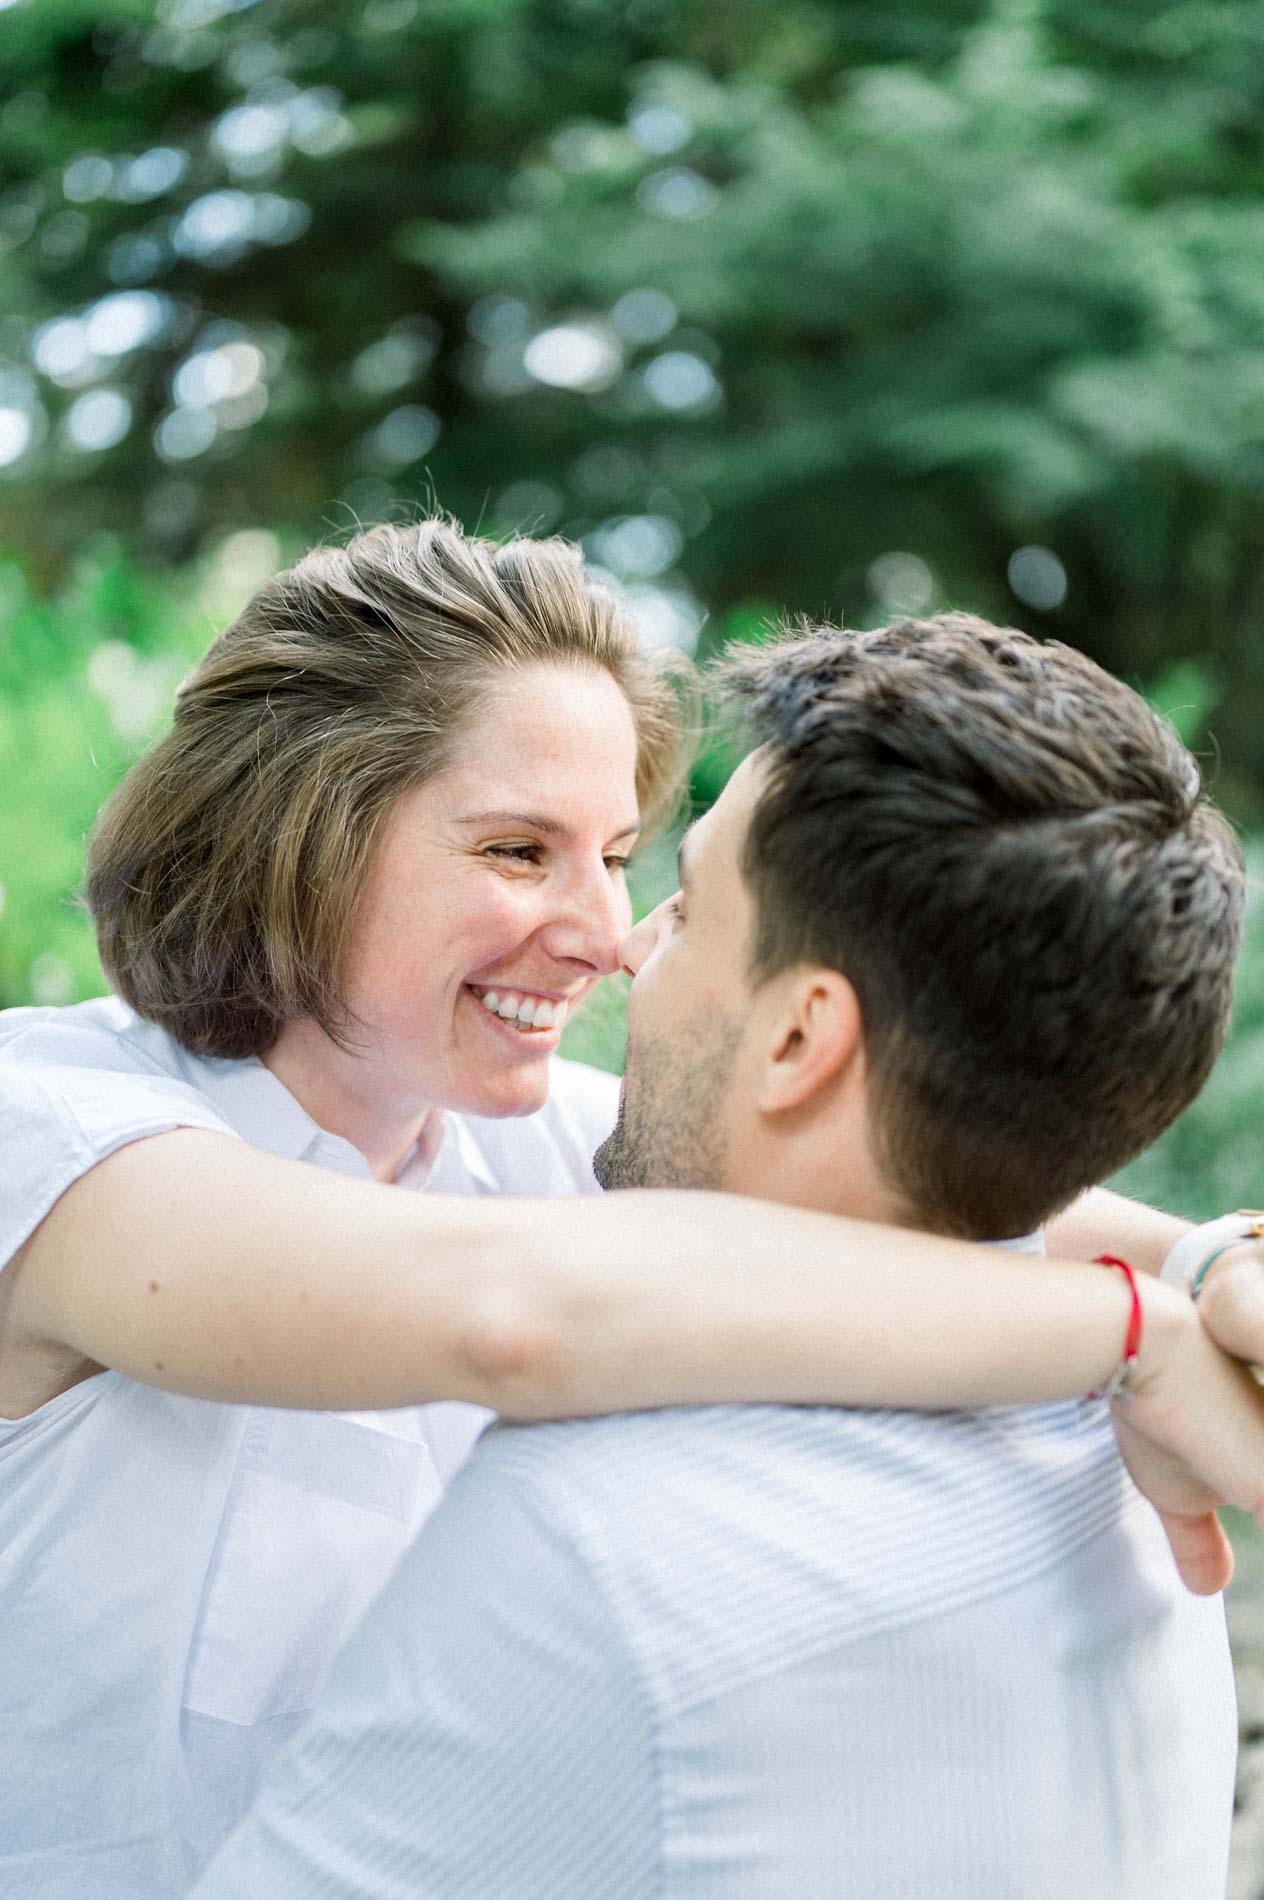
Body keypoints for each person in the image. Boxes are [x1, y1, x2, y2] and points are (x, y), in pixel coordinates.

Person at [0, 525, 1260, 1898]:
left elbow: (920, 1178)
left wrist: (1204, 1267)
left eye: (618, 854)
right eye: (519, 849)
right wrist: (1132, 1330)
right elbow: (510, 1319)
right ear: (298, 831)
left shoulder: (523, 1143)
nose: (605, 931)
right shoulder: (53, 1131)